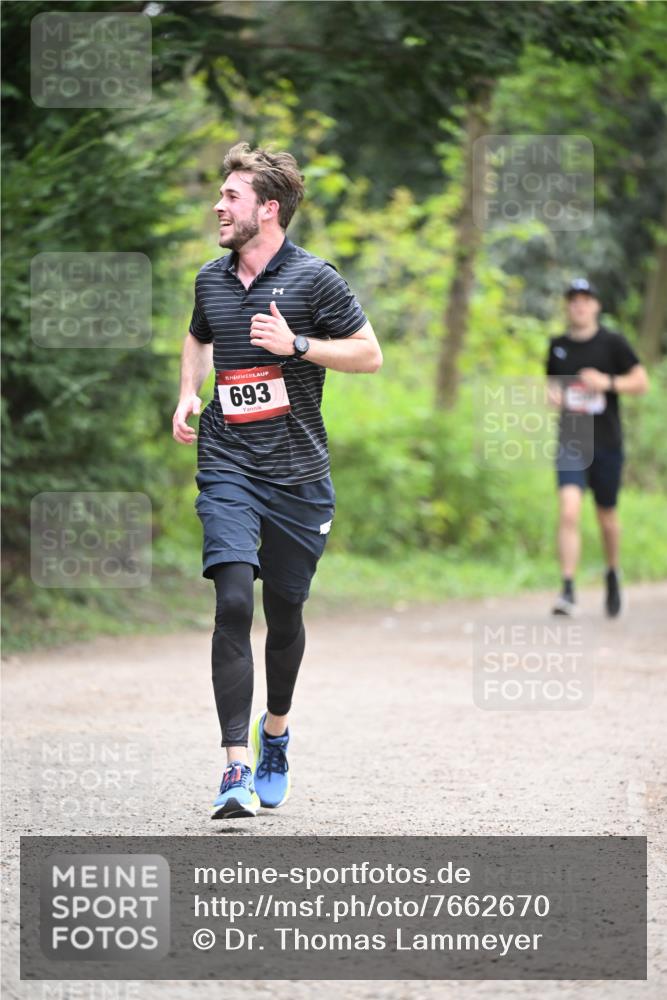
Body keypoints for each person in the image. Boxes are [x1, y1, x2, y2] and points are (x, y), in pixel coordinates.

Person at [172, 143, 381, 819]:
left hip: (296, 477)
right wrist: (187, 392)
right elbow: (198, 337)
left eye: (230, 197)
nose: (217, 207)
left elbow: (368, 354)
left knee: (284, 612)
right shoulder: (210, 278)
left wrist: (296, 345)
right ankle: (233, 768)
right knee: (233, 601)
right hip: (227, 462)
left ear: (268, 209)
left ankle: (275, 732)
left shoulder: (315, 280)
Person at [545, 278, 649, 617]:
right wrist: (553, 396)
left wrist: (608, 382)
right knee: (569, 509)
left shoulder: (613, 343)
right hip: (572, 440)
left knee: (606, 516)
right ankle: (568, 589)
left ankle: (613, 572)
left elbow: (641, 382)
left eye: (585, 299)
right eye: (573, 299)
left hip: (606, 441)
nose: (579, 305)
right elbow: (552, 387)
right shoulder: (557, 346)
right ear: (567, 306)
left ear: (596, 305)